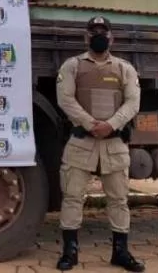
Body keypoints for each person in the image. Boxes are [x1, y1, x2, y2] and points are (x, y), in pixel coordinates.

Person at [54, 16, 145, 272]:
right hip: (82, 141)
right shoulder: (72, 66)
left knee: (118, 200)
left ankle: (120, 252)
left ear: (111, 37)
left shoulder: (124, 68)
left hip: (114, 143)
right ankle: (69, 254)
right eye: (93, 31)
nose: (98, 35)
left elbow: (133, 102)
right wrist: (90, 123)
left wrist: (111, 124)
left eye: (103, 31)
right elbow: (65, 99)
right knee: (72, 197)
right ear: (86, 36)